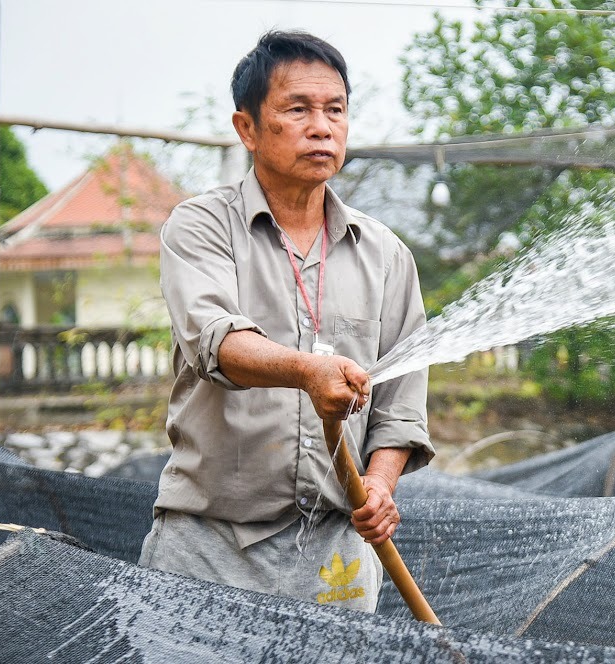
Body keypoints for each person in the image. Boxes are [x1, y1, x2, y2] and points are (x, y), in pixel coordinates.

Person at [138, 30, 433, 613]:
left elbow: (400, 406)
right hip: (209, 543)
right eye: (297, 110)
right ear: (246, 128)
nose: (322, 127)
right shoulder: (201, 227)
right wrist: (307, 370)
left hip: (336, 552)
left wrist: (378, 486)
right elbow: (216, 342)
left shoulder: (387, 254)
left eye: (336, 110)